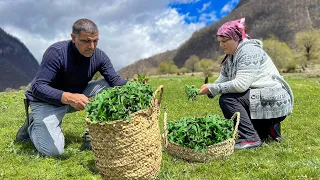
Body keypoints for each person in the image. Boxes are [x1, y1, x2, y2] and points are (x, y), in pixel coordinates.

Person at [15, 18, 127, 156]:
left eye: (95, 41)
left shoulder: (99, 56)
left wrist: (136, 88)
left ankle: (92, 134)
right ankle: (33, 124)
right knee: (53, 152)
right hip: (45, 102)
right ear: (73, 38)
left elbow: (115, 80)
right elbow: (38, 87)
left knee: (109, 87)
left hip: (76, 97)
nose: (92, 46)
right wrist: (68, 97)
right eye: (86, 41)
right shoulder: (56, 53)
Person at [199, 18, 294, 150]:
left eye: (225, 41)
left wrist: (213, 89)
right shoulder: (230, 57)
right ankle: (268, 128)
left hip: (273, 97)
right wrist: (209, 89)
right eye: (220, 42)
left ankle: (249, 138)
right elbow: (221, 81)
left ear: (236, 38)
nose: (221, 45)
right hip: (260, 96)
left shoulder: (248, 51)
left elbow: (240, 85)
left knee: (228, 99)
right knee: (233, 100)